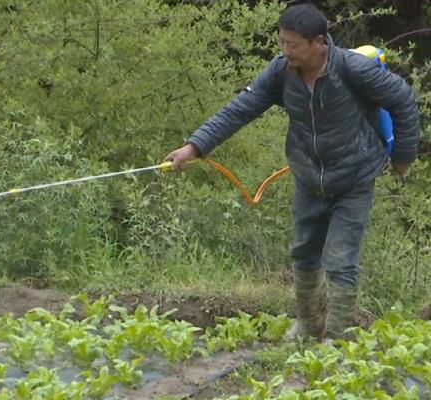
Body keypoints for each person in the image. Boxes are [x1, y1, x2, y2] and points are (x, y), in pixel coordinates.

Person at [165, 3, 420, 340]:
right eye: (282, 43)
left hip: (354, 177)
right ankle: (306, 324)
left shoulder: (353, 69)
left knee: (341, 260)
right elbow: (239, 110)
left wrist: (403, 156)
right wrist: (193, 147)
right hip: (308, 176)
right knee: (303, 251)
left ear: (318, 42)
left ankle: (334, 337)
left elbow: (403, 101)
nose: (285, 51)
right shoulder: (280, 72)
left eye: (293, 44)